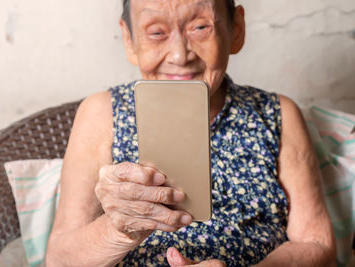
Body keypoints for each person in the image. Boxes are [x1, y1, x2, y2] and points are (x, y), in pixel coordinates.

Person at [46, 0, 337, 266]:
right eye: (157, 32)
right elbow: (59, 259)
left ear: (236, 29)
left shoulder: (277, 113)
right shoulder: (101, 113)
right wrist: (120, 228)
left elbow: (316, 243)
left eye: (200, 27)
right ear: (129, 39)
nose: (179, 55)